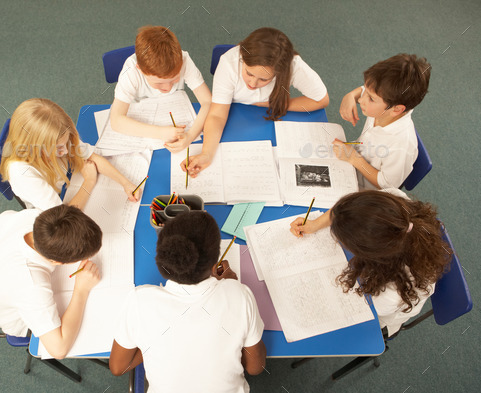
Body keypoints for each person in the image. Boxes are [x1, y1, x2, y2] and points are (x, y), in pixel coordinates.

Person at [109, 211, 266, 392]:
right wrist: (231, 285)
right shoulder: (239, 295)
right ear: (215, 264)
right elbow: (255, 367)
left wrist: (151, 342)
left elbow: (118, 367)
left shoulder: (139, 301)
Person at [289, 190, 450, 337]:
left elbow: (358, 310)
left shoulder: (391, 293)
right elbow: (345, 211)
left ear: (368, 253)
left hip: (377, 318)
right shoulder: (392, 204)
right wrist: (314, 224)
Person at [183, 27, 329, 176]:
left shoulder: (293, 66)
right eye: (249, 73)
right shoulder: (229, 63)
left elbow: (321, 100)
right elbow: (217, 115)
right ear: (242, 58)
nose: (252, 83)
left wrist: (275, 104)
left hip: (267, 120)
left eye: (264, 79)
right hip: (235, 115)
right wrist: (206, 154)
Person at [0, 205, 102, 359]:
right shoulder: (31, 286)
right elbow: (59, 349)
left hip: (8, 284)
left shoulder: (34, 217)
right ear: (56, 262)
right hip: (21, 321)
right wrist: (81, 289)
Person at [0, 98, 139, 211]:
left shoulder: (57, 134)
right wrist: (89, 182)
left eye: (65, 144)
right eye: (59, 148)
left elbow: (92, 157)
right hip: (50, 212)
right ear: (36, 147)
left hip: (66, 184)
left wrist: (125, 183)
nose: (66, 151)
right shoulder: (23, 174)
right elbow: (63, 217)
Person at [334, 54, 432, 189]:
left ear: (396, 109)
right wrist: (350, 96)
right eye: (365, 92)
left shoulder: (401, 146)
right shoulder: (385, 108)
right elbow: (365, 90)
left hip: (363, 192)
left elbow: (386, 184)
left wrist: (354, 159)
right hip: (352, 165)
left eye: (371, 99)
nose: (361, 100)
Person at [109, 25, 212, 153]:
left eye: (174, 79)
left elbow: (208, 102)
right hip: (144, 124)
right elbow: (116, 121)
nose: (168, 88)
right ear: (140, 69)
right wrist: (160, 132)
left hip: (173, 108)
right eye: (159, 83)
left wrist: (190, 136)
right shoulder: (131, 71)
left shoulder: (183, 59)